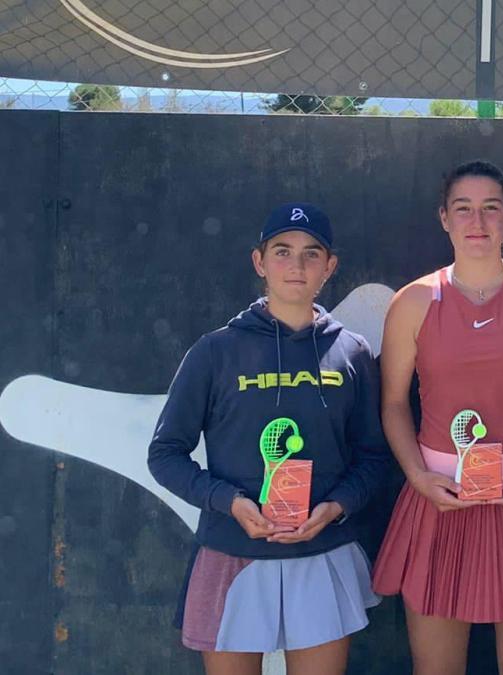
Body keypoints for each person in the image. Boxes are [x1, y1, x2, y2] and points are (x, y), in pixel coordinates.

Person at [148, 202, 391, 675]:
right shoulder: (215, 351)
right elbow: (165, 454)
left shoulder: (352, 352)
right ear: (259, 262)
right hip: (232, 551)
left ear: (330, 267)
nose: (296, 266)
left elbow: (374, 458)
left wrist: (336, 506)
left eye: (310, 254)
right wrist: (230, 502)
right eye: (282, 251)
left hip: (322, 551)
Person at [371, 160, 503, 675]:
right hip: (439, 501)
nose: (478, 221)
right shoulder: (414, 302)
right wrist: (420, 478)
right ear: (443, 218)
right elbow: (395, 405)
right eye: (463, 209)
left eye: (491, 208)